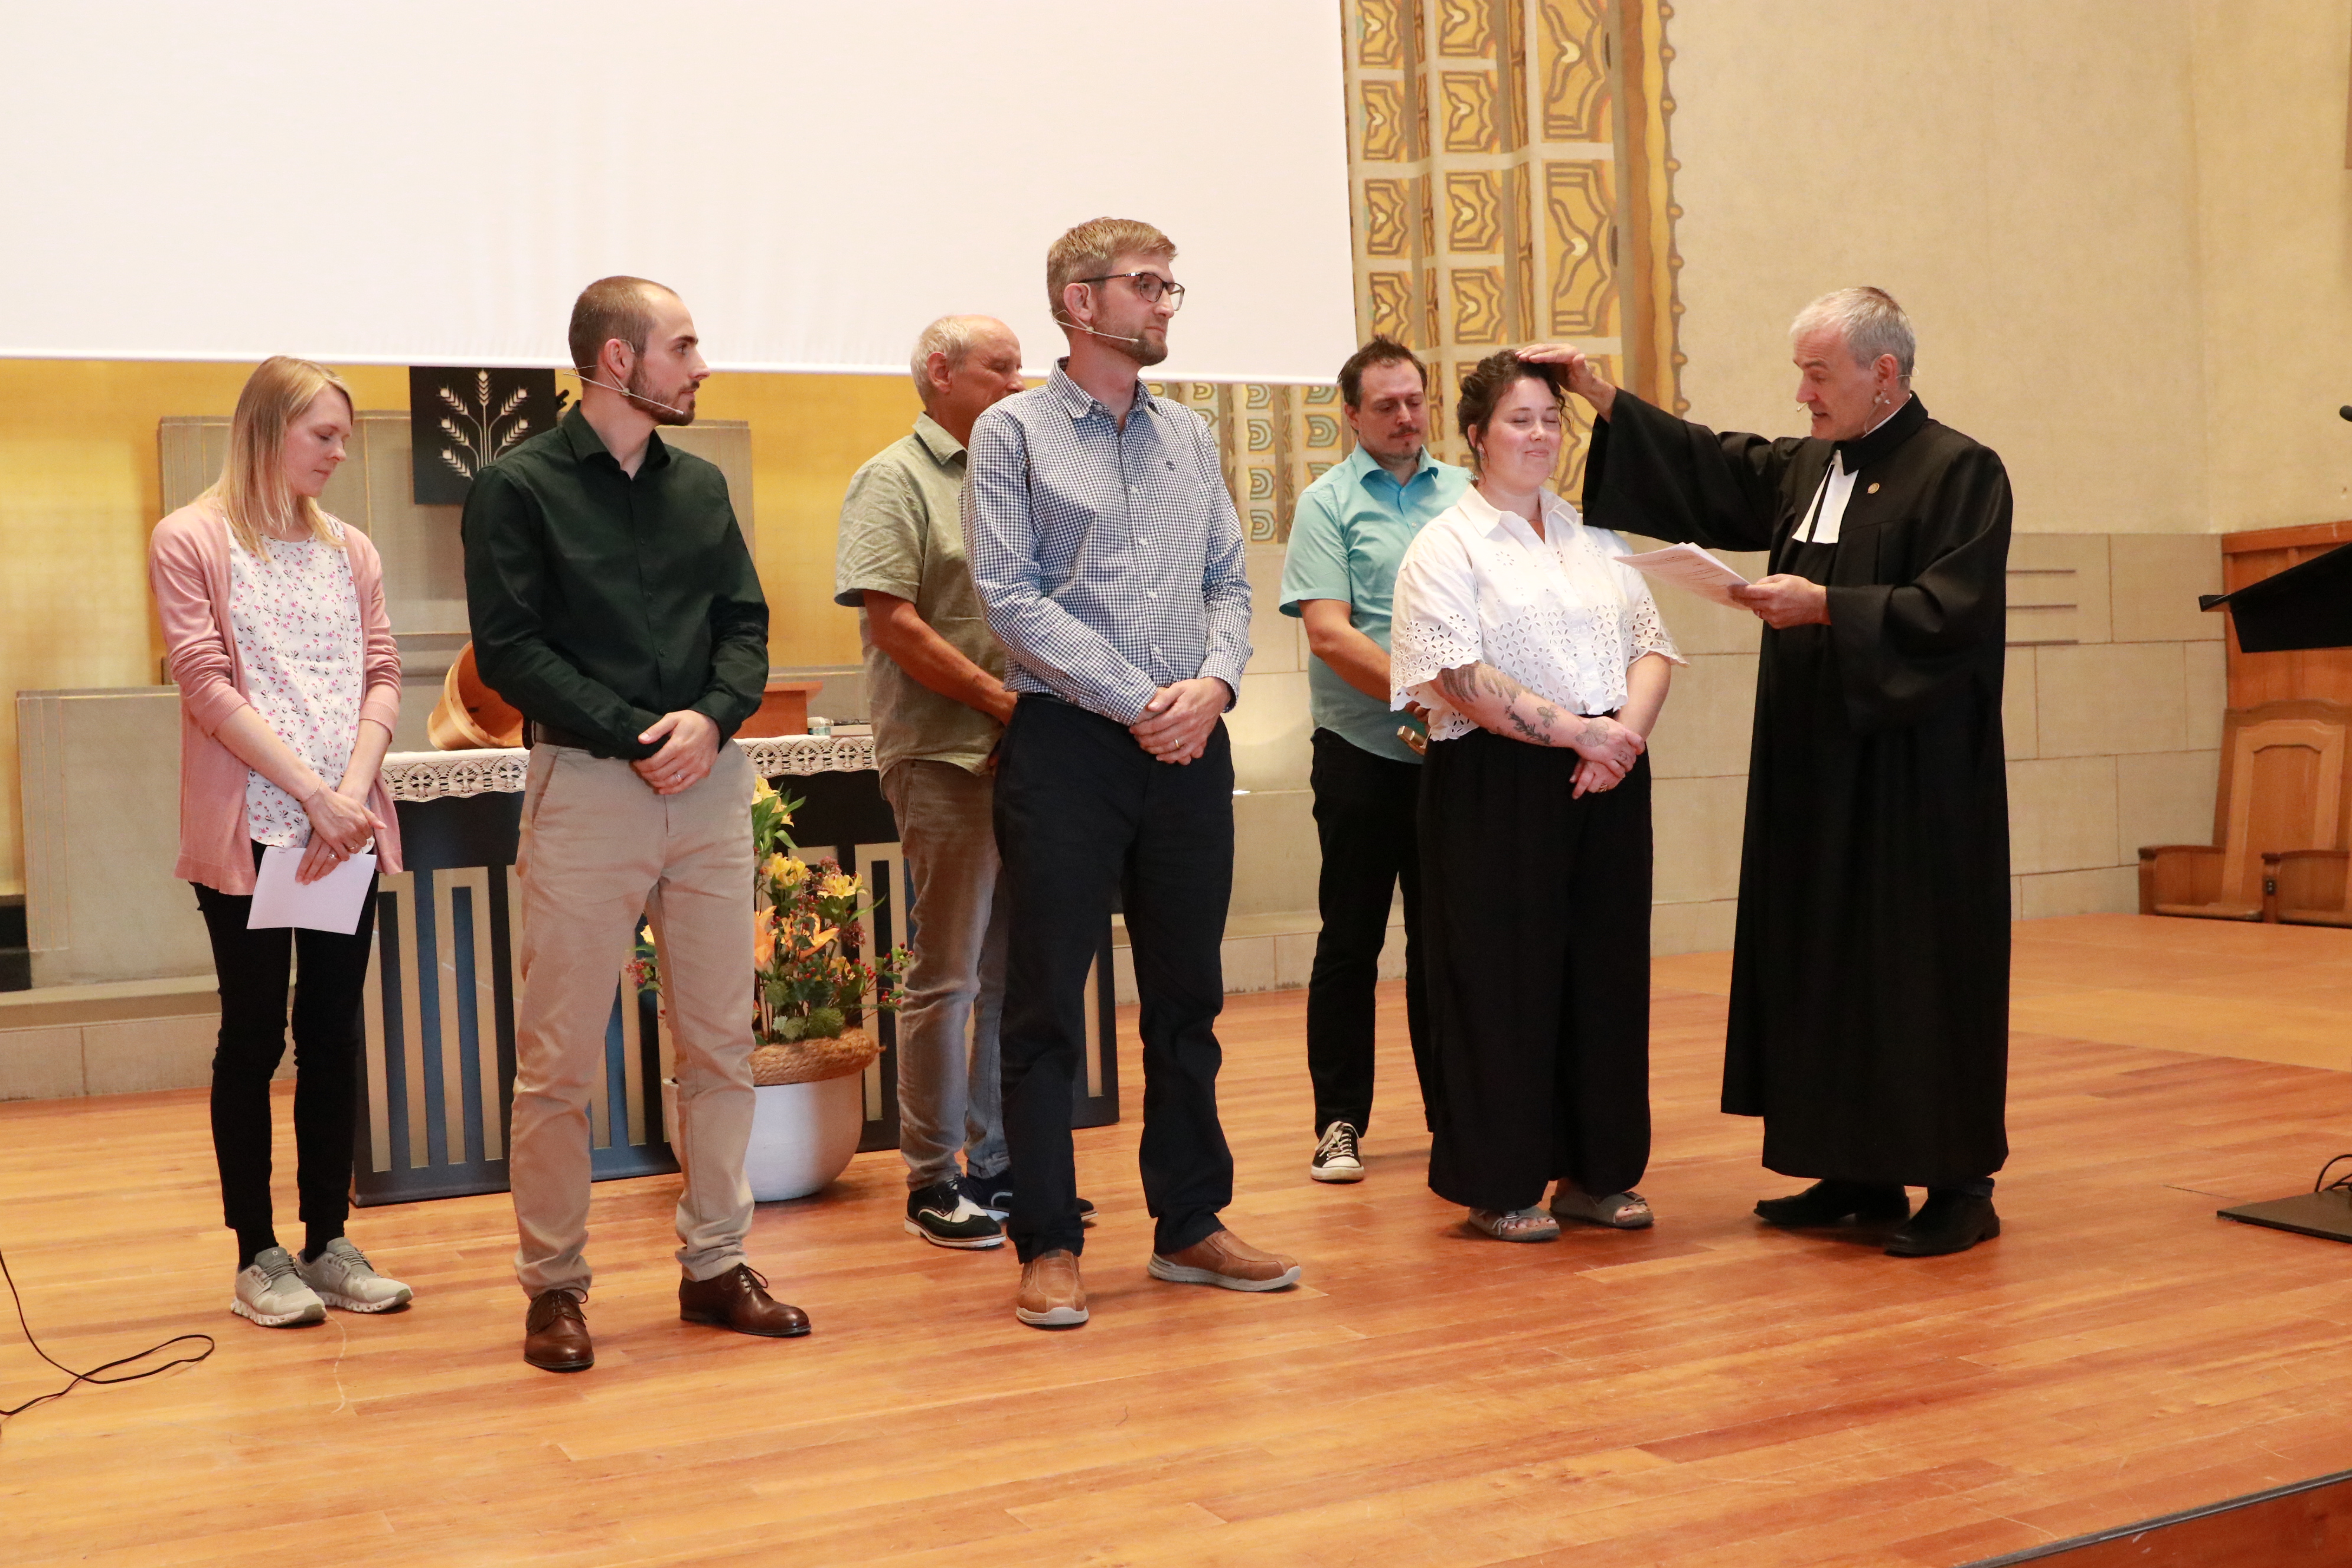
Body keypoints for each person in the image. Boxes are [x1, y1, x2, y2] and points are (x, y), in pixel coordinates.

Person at [1535, 285, 2013, 1257]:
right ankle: (1857, 1171)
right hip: (1815, 767)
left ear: (1884, 373)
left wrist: (1828, 606)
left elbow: (1955, 609)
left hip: (1913, 782)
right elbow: (1715, 463)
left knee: (1916, 968)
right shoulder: (1814, 466)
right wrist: (1601, 395)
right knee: (1824, 957)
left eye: (1818, 374)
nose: (1803, 394)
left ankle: (1961, 1187)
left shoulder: (1961, 470)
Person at [463, 276, 807, 1372]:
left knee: (722, 1045)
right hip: (588, 787)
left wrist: (710, 719)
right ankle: (554, 1286)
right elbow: (511, 650)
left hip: (707, 785)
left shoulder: (699, 486)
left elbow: (745, 623)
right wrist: (637, 733)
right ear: (619, 360)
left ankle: (716, 1264)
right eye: (683, 347)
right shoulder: (516, 486)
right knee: (558, 1058)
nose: (701, 367)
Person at [966, 215, 1300, 1328]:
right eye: (1146, 285)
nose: (1164, 303)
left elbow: (1229, 582)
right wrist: (1138, 699)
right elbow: (1009, 596)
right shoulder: (1012, 432)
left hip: (1190, 744)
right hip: (1070, 743)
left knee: (1188, 998)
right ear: (1080, 301)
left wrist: (1213, 688)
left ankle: (1191, 1222)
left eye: (1169, 287)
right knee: (1047, 1004)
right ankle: (1049, 1241)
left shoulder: (1189, 436)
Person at [1389, 350, 1678, 1242]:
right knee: (1502, 981)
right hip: (1498, 779)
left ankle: (1598, 1174)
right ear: (1477, 435)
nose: (1541, 434)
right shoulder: (1446, 544)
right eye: (1521, 419)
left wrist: (1619, 738)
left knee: (1606, 974)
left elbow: (1652, 646)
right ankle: (1501, 1182)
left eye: (1552, 419)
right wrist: (1578, 735)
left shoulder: (1596, 537)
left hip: (1608, 773)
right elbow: (1458, 677)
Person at [150, 355, 416, 1327]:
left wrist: (348, 797)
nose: (340, 453)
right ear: (267, 430)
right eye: (324, 435)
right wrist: (310, 794)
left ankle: (328, 1243)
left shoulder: (352, 550)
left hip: (341, 831)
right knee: (256, 1033)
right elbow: (205, 683)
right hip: (256, 830)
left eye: (345, 437)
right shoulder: (191, 538)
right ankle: (256, 1254)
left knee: (334, 1030)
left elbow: (382, 674)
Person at [833, 315, 1027, 1250]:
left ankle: (997, 1166)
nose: (1020, 383)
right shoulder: (893, 478)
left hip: (1027, 754)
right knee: (946, 973)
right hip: (947, 752)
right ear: (941, 374)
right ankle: (930, 1178)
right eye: (1001, 368)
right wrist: (1001, 703)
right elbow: (894, 624)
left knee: (1009, 972)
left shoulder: (1018, 475)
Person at [1278, 336, 1468, 1183]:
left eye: (1415, 401)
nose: (1405, 416)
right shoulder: (1327, 504)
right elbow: (1328, 632)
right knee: (1351, 940)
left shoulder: (1469, 496)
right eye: (1386, 405)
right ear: (1352, 415)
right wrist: (1425, 696)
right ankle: (1339, 1121)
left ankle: (1454, 1118)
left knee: (1447, 944)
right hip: (1362, 750)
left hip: (1459, 755)